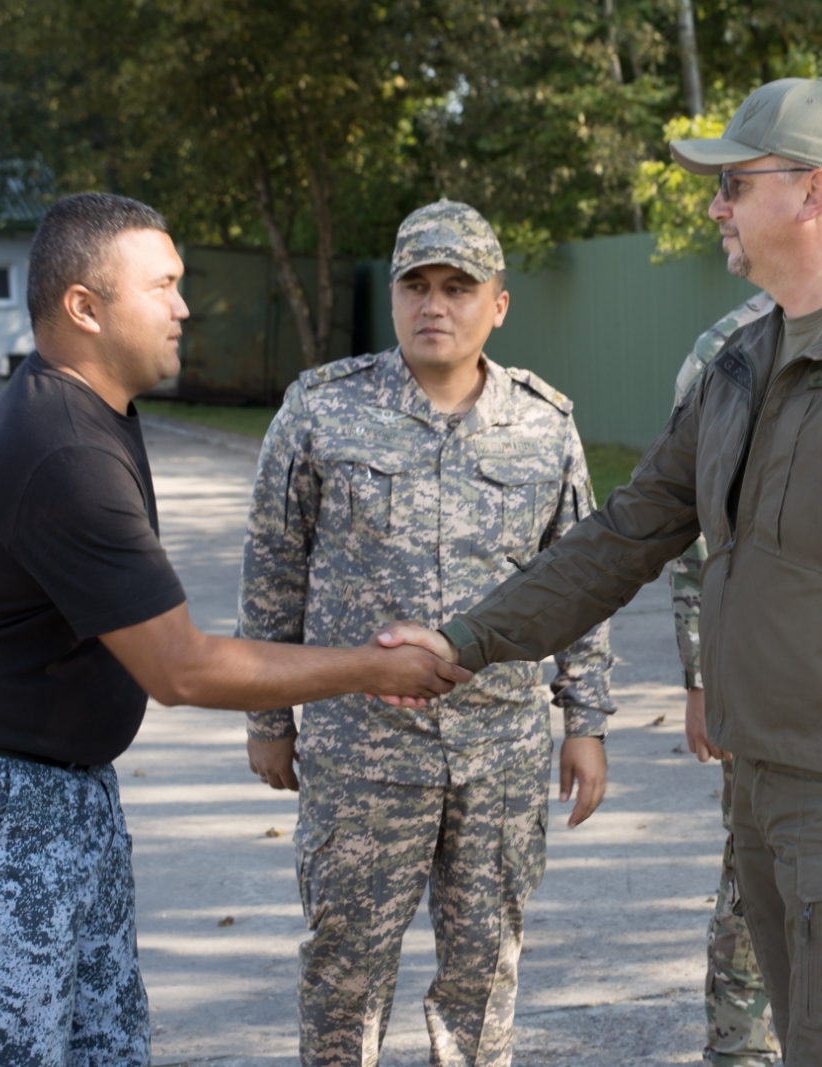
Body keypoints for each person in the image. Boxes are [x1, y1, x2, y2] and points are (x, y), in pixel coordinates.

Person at [380, 77, 822, 1067]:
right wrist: (464, 638)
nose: (715, 205)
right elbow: (625, 532)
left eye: (734, 183)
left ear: (814, 193)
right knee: (799, 1047)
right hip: (759, 781)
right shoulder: (744, 363)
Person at [0, 192, 468, 1067]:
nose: (184, 306)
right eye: (162, 285)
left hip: (60, 789)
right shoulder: (61, 448)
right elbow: (182, 667)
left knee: (108, 1045)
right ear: (85, 306)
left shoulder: (94, 413)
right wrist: (371, 666)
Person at [238, 199, 615, 1067]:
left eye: (457, 286)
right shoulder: (322, 411)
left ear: (499, 304)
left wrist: (586, 721)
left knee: (484, 977)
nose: (434, 305)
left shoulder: (543, 425)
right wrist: (266, 718)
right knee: (345, 972)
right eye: (416, 285)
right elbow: (273, 567)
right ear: (396, 297)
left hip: (500, 753)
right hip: (361, 752)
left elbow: (580, 582)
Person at [669, 292, 780, 1067]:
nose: (720, 211)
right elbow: (693, 525)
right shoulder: (724, 350)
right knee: (752, 874)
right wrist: (702, 674)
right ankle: (740, 1050)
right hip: (753, 669)